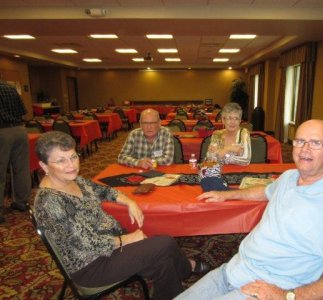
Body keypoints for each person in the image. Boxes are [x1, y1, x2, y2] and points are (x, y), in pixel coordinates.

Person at [176, 119, 323, 300]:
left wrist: (287, 296)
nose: (305, 149)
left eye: (316, 143)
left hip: (267, 289)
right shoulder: (289, 177)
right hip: (231, 271)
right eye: (300, 141)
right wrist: (226, 195)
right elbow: (265, 191)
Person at [34, 131, 209, 300]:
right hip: (91, 265)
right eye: (61, 161)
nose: (71, 165)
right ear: (44, 166)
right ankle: (187, 268)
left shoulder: (73, 180)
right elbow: (87, 245)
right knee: (165, 243)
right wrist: (128, 239)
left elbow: (104, 190)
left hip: (110, 244)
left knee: (162, 261)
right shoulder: (50, 202)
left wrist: (129, 202)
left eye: (73, 157)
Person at [0, 81, 31, 223]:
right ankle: (21, 201)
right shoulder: (11, 89)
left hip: (2, 131)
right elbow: (23, 111)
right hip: (19, 130)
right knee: (21, 168)